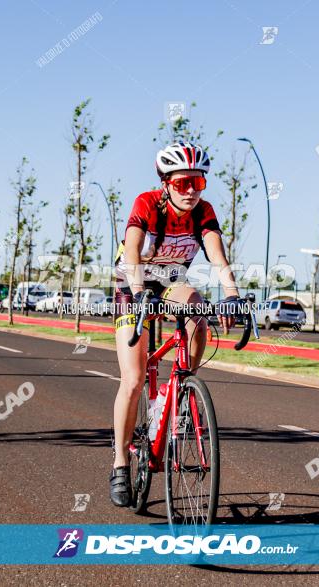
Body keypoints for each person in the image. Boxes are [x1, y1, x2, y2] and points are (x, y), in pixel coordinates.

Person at [108, 141, 241, 506]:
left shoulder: (203, 212)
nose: (192, 192)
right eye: (183, 183)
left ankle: (181, 387)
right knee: (134, 379)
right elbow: (132, 249)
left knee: (197, 311)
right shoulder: (147, 203)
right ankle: (120, 461)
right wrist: (137, 291)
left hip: (168, 283)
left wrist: (231, 295)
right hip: (130, 283)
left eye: (198, 183)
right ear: (165, 182)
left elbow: (217, 253)